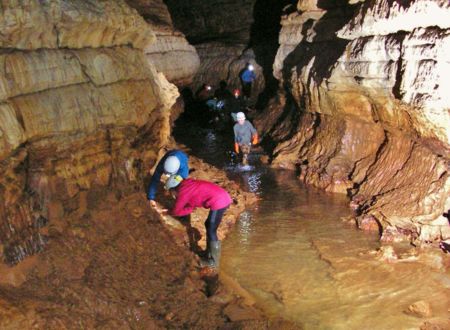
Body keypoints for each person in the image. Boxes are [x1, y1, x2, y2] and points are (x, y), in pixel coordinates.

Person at [163, 175, 232, 268]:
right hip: (222, 197)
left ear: (174, 188)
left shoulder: (183, 191)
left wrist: (168, 212)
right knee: (208, 224)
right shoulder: (188, 185)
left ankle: (213, 262)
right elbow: (191, 207)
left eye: (171, 192)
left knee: (211, 229)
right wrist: (183, 211)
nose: (173, 195)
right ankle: (208, 253)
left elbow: (177, 210)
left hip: (219, 201)